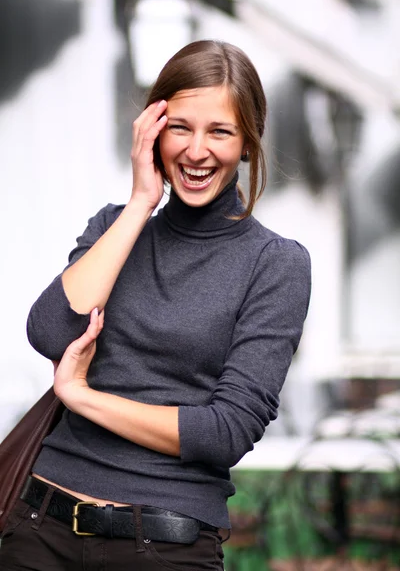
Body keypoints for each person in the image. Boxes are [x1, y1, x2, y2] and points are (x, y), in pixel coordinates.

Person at [0, 39, 311, 570]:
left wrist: (81, 395)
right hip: (39, 525)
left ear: (248, 144)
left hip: (166, 545)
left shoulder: (275, 263)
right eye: (180, 127)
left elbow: (225, 432)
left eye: (220, 131)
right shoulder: (112, 227)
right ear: (152, 129)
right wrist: (141, 201)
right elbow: (50, 332)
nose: (196, 151)